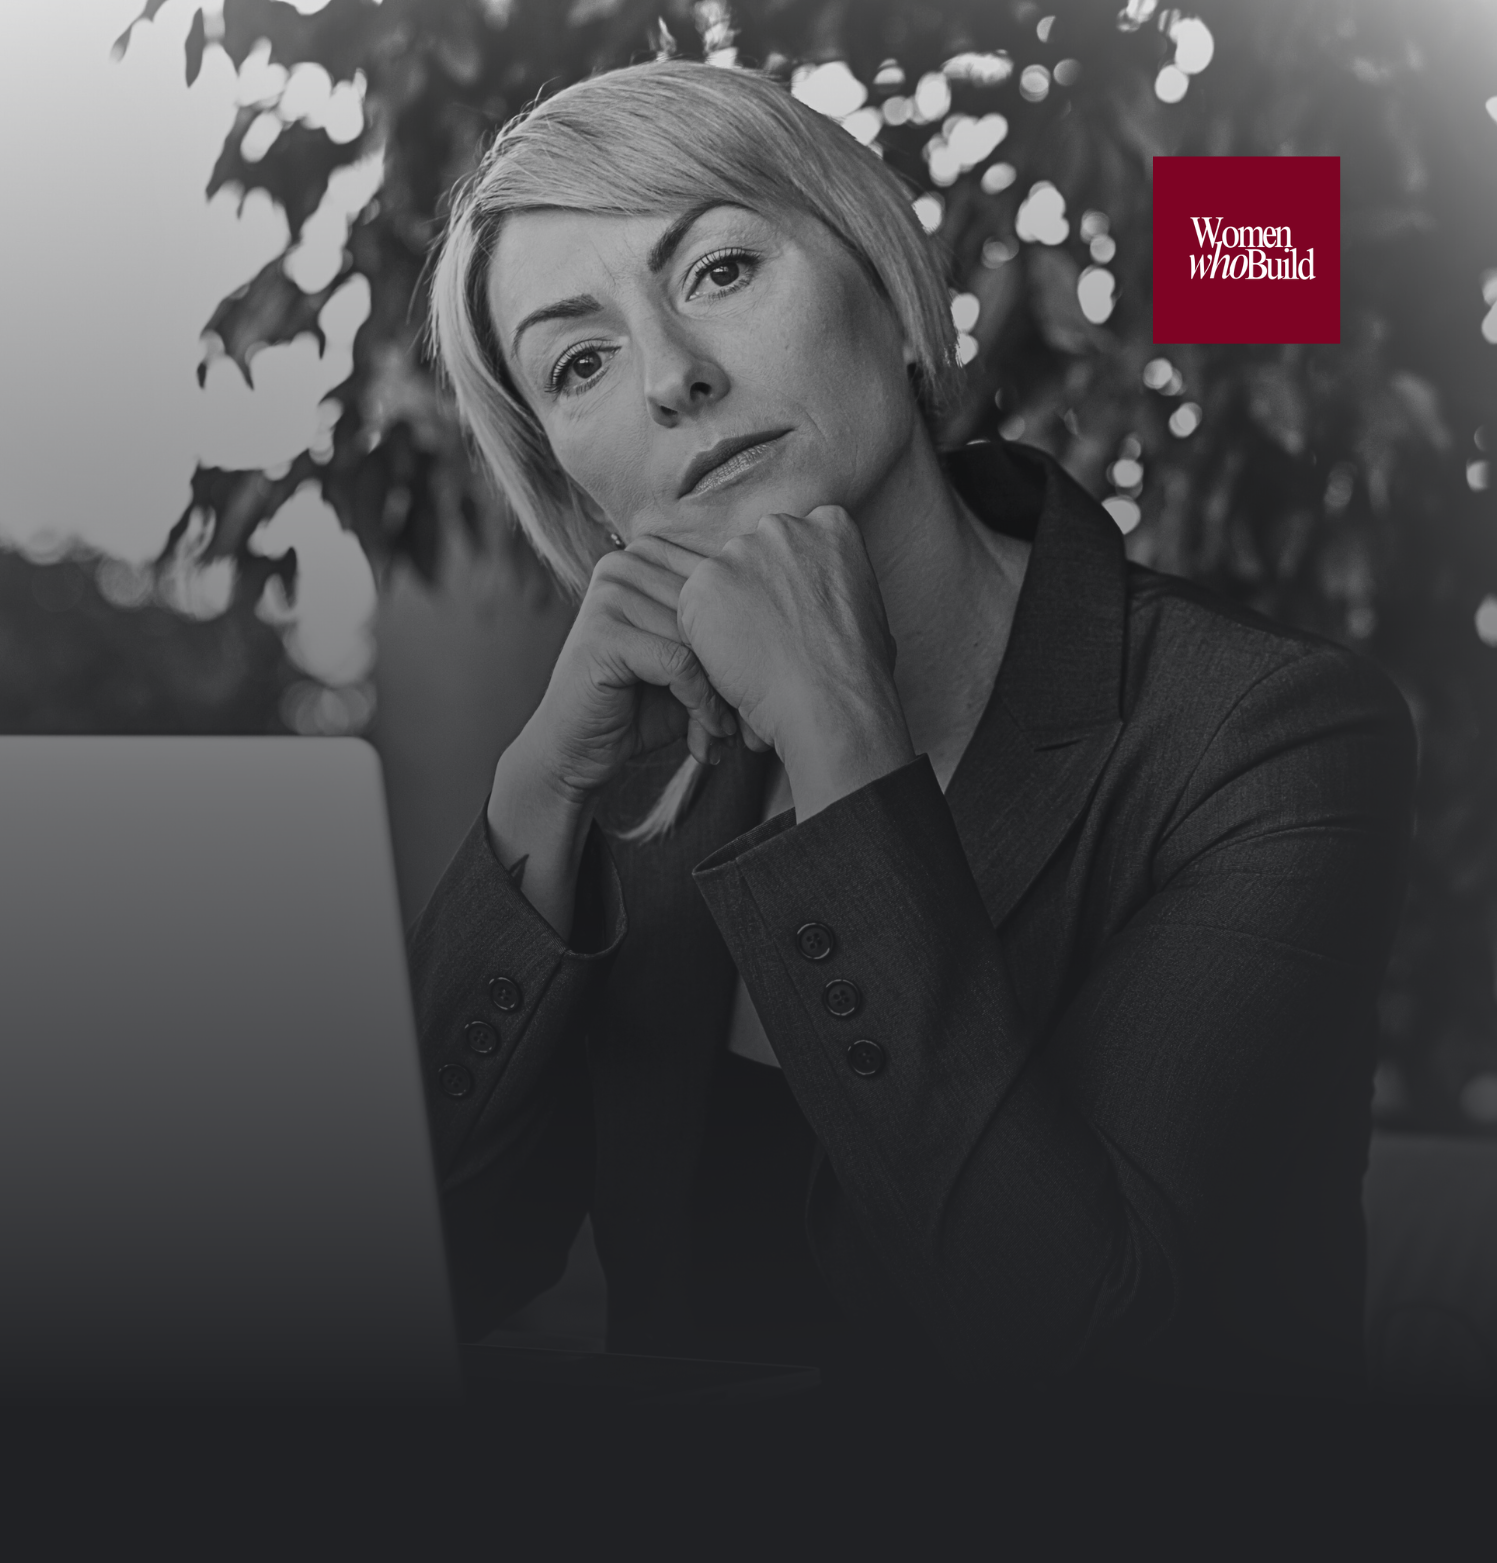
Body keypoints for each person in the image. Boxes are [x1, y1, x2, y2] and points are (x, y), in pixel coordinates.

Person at [408, 58, 1415, 1395]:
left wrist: (838, 731)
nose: (669, 378)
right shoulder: (632, 786)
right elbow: (441, 1266)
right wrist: (538, 788)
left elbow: (1109, 1366)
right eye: (581, 359)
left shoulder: (1256, 738)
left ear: (883, 288)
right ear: (579, 493)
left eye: (716, 270)